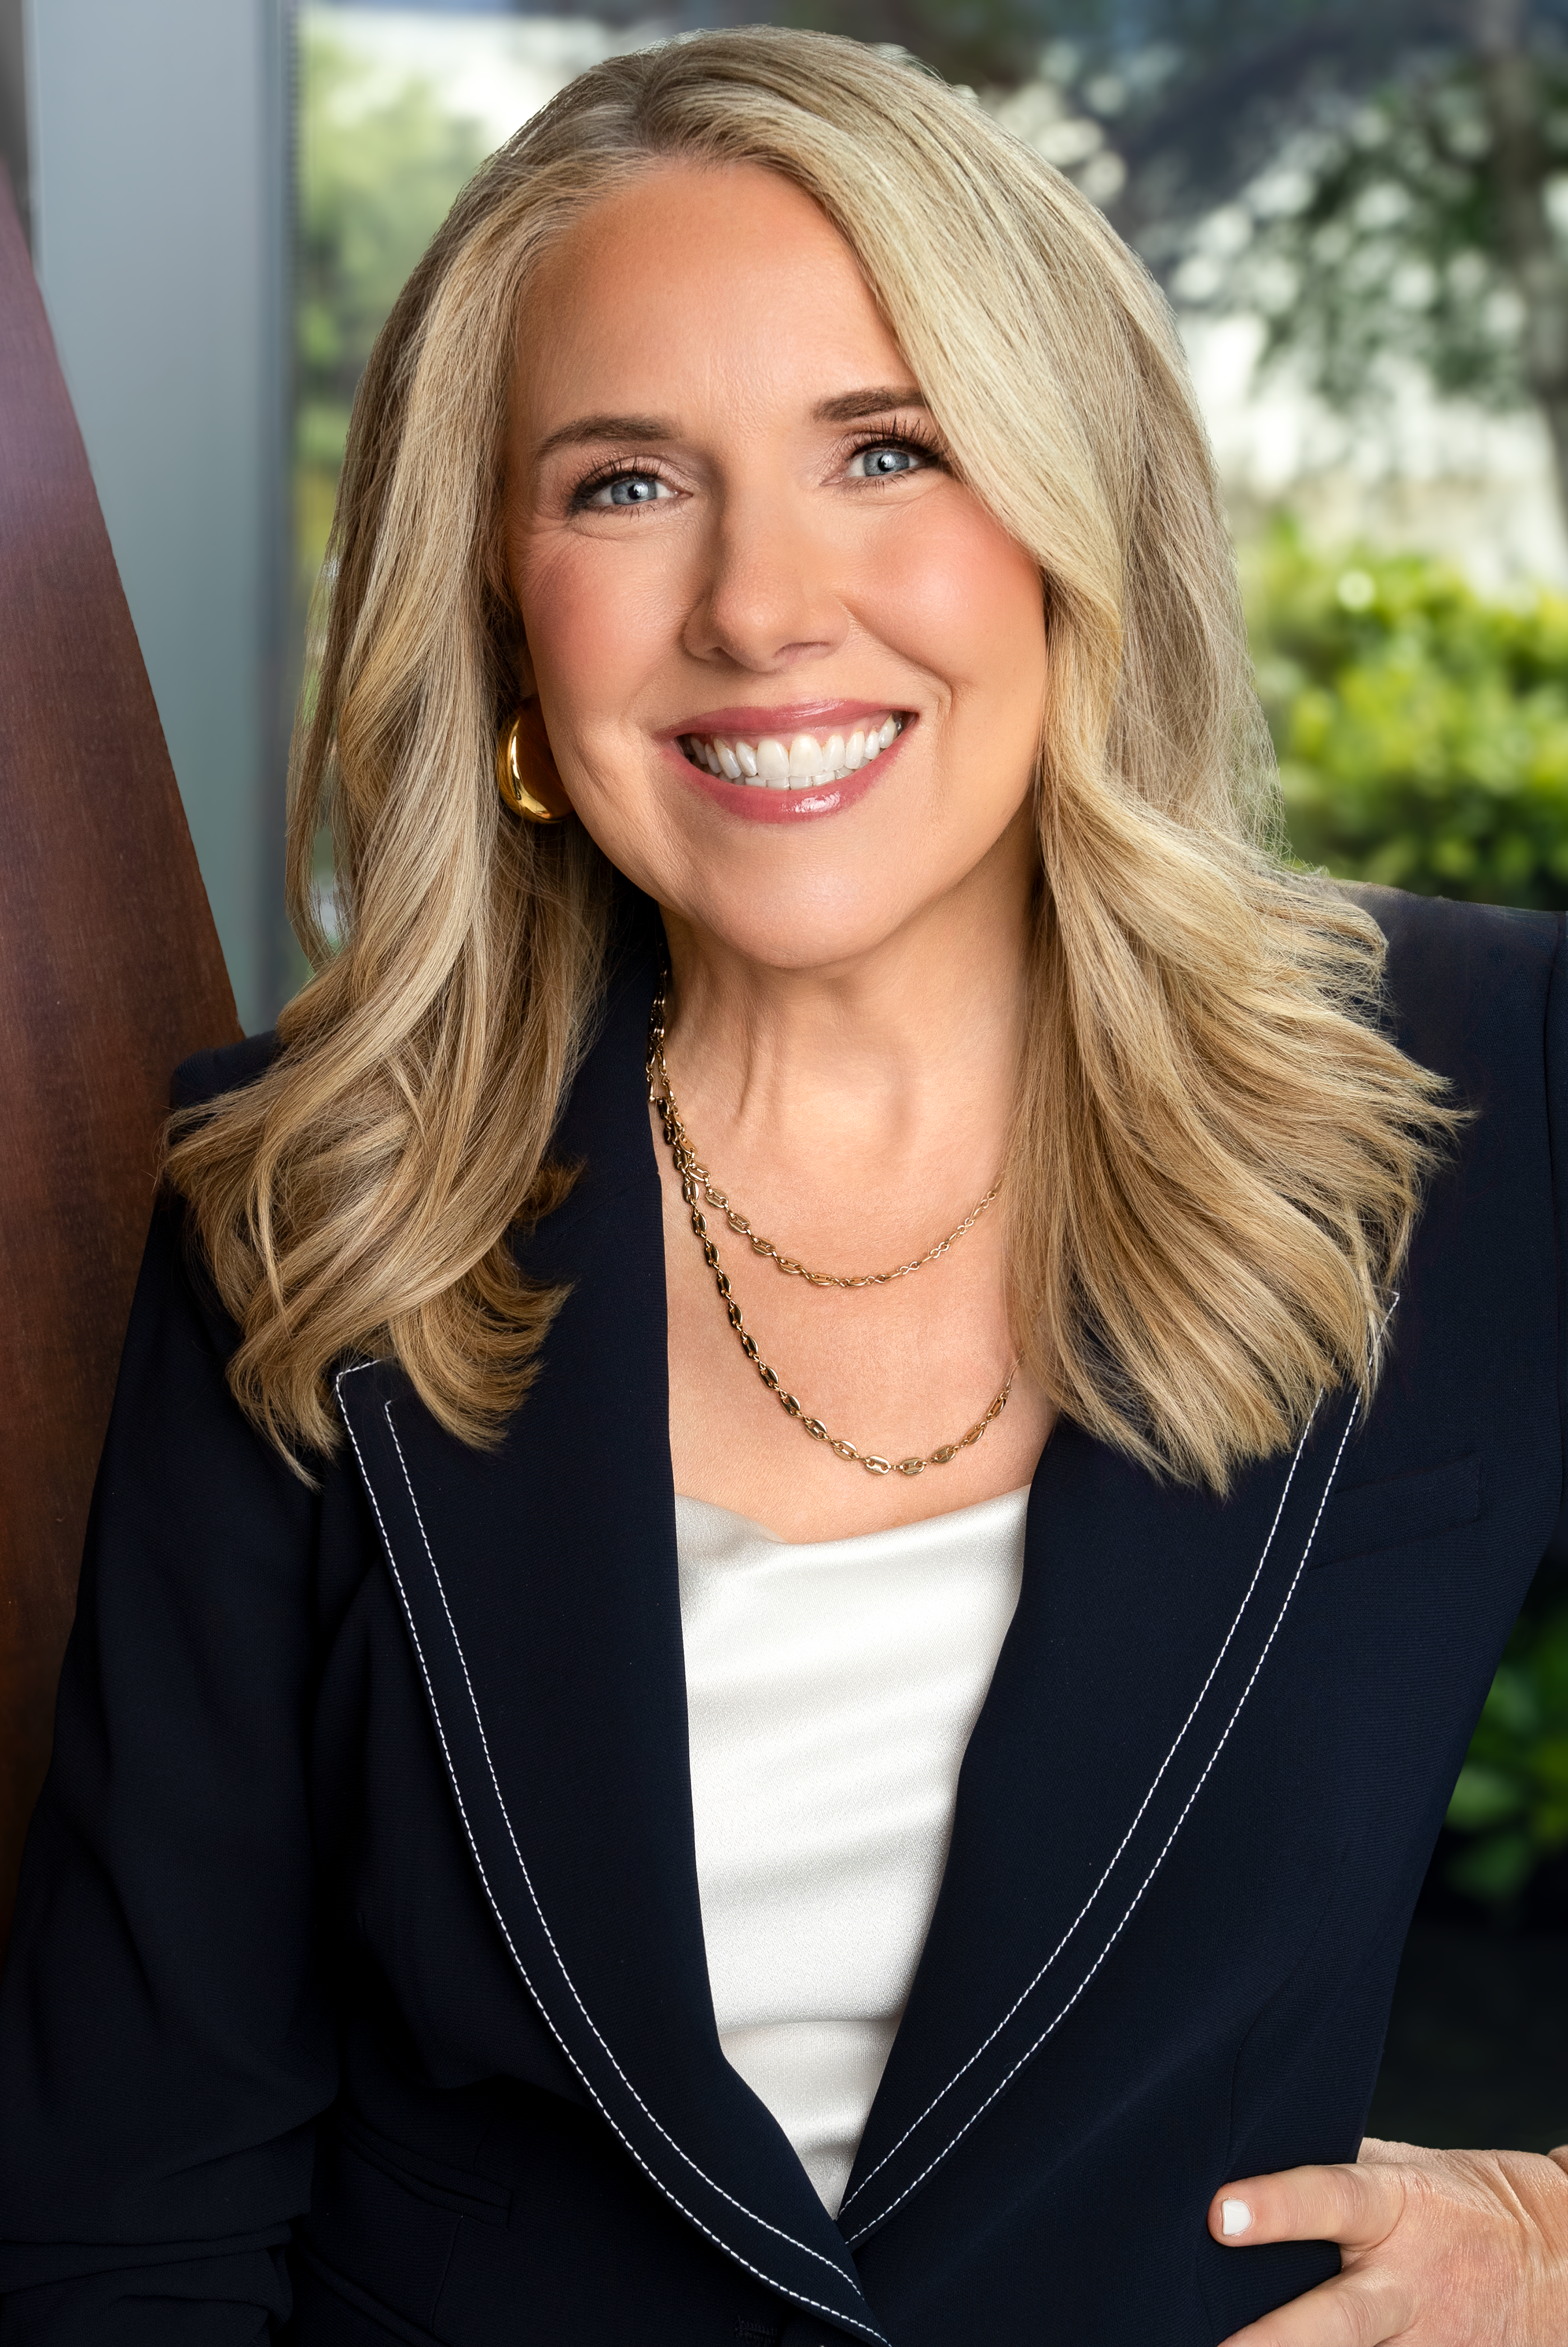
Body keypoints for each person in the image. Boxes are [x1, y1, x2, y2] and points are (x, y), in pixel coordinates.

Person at [1, 26, 1565, 2345]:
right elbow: (133, 2209)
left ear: (1069, 516)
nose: (759, 607)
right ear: (502, 610)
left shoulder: (1483, 1085)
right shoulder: (312, 1207)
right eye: (625, 486)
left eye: (884, 449)